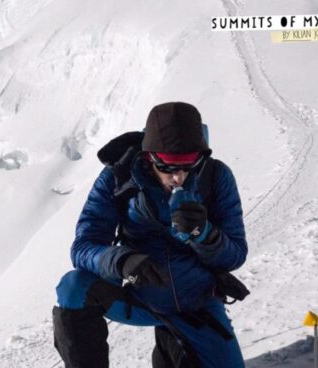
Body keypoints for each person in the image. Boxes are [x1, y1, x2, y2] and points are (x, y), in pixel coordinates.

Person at [52, 102, 248, 368]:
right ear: (150, 157)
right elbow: (83, 247)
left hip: (197, 302)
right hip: (142, 298)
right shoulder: (118, 178)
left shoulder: (215, 176)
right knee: (74, 287)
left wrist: (204, 234)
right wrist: (121, 260)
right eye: (168, 166)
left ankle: (173, 349)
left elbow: (234, 255)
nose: (177, 177)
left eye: (187, 164)